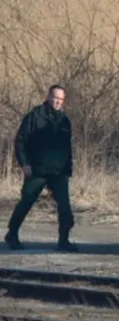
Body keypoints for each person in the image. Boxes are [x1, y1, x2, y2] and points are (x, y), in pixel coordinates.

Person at [4, 85, 78, 252]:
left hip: (59, 172)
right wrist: (24, 164)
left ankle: (64, 240)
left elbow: (67, 148)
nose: (58, 102)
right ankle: (12, 233)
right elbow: (20, 141)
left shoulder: (65, 121)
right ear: (48, 97)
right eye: (55, 98)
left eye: (61, 99)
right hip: (37, 169)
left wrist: (68, 169)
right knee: (26, 202)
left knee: (65, 206)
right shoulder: (35, 116)